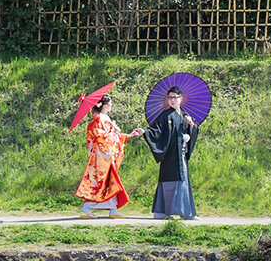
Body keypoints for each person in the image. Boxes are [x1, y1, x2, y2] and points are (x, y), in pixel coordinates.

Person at [74, 94, 144, 218]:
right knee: (99, 182)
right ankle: (86, 208)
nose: (111, 105)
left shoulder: (103, 117)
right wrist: (115, 132)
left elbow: (110, 134)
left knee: (109, 182)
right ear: (105, 105)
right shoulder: (100, 118)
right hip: (101, 156)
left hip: (105, 155)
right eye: (110, 103)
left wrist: (128, 135)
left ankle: (113, 209)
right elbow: (100, 136)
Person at [142, 85, 199, 219]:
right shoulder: (165, 115)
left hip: (181, 154)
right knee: (169, 182)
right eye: (170, 98)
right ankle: (162, 212)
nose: (172, 100)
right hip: (170, 155)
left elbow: (192, 131)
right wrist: (145, 132)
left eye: (175, 97)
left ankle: (186, 212)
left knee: (183, 181)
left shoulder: (185, 115)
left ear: (181, 99)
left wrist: (191, 126)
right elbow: (155, 131)